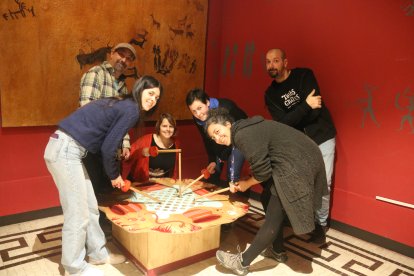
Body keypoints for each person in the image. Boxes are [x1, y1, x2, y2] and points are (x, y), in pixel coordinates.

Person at [44, 76, 162, 275]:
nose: (153, 100)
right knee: (78, 213)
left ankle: (98, 254)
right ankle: (74, 267)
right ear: (140, 89)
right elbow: (109, 148)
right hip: (66, 150)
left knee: (90, 207)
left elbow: (108, 142)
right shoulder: (131, 109)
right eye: (150, 93)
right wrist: (115, 176)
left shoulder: (124, 104)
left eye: (157, 97)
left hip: (66, 149)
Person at [205, 108, 328, 275]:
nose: (217, 138)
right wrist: (246, 180)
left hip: (298, 162)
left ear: (228, 124)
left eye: (218, 132)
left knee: (273, 215)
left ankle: (242, 262)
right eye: (213, 137)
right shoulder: (244, 130)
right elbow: (264, 162)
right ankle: (277, 251)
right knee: (266, 197)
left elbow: (263, 173)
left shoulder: (242, 135)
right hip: (303, 156)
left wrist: (247, 184)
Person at [264, 48, 336, 244]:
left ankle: (320, 225)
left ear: (285, 62)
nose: (272, 65)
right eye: (268, 62)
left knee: (323, 183)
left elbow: (315, 112)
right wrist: (305, 105)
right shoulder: (270, 94)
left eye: (276, 61)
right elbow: (283, 124)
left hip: (322, 137)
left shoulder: (304, 75)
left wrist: (295, 116)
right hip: (298, 143)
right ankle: (305, 221)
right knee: (301, 183)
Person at [79, 42, 137, 194]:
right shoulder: (95, 74)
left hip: (111, 150)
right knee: (95, 196)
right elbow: (88, 113)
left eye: (128, 58)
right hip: (94, 148)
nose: (124, 60)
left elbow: (122, 120)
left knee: (110, 195)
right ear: (112, 53)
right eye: (121, 55)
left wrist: (125, 143)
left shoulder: (123, 87)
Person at [186, 89, 248, 193]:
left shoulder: (227, 106)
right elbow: (207, 139)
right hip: (219, 141)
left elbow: (244, 123)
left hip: (238, 139)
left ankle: (236, 205)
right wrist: (212, 160)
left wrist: (230, 149)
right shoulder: (198, 119)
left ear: (207, 102)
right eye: (194, 111)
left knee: (232, 176)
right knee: (213, 171)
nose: (198, 114)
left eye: (200, 108)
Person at [122, 113, 181, 182]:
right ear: (159, 127)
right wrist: (142, 152)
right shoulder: (145, 140)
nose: (168, 129)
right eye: (164, 126)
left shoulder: (176, 143)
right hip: (141, 182)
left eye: (171, 126)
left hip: (162, 184)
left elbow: (175, 169)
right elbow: (129, 155)